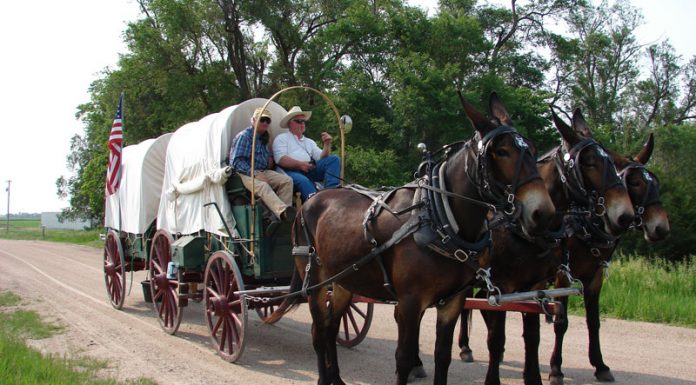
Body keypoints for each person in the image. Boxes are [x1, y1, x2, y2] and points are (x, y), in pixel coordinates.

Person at [230, 107, 296, 221]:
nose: (265, 123)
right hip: (244, 172)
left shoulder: (264, 137)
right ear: (254, 120)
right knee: (263, 186)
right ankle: (282, 212)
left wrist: (269, 159)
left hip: (262, 171)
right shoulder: (245, 136)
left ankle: (280, 219)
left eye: (268, 121)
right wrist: (255, 173)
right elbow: (236, 161)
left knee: (287, 181)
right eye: (262, 119)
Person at [273, 106, 341, 201]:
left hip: (309, 169)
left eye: (303, 121)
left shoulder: (309, 141)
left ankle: (332, 193)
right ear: (290, 123)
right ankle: (317, 203)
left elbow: (321, 157)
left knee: (334, 159)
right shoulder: (281, 138)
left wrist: (327, 144)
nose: (302, 124)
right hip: (291, 171)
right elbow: (280, 159)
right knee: (303, 181)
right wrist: (300, 165)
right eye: (298, 121)